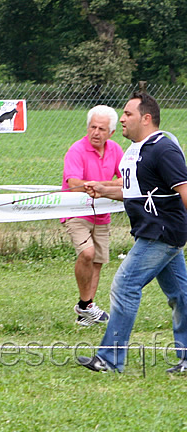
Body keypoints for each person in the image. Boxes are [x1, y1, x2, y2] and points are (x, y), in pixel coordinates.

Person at [79, 91, 187, 373]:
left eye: (128, 114)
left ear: (146, 118)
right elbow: (133, 192)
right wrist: (103, 189)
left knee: (125, 285)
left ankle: (109, 359)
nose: (122, 119)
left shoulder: (164, 149)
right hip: (154, 233)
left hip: (161, 234)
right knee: (180, 296)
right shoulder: (136, 151)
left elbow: (184, 190)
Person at [61, 105, 123, 326]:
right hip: (76, 212)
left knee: (97, 261)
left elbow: (125, 180)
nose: (96, 132)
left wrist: (99, 186)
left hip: (102, 214)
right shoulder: (76, 150)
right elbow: (75, 184)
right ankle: (85, 306)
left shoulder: (116, 150)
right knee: (87, 253)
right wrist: (109, 185)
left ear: (111, 133)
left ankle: (86, 310)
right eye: (93, 127)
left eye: (102, 129)